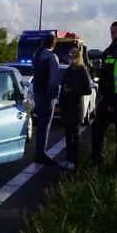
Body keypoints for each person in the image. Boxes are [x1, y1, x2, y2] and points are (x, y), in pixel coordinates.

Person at [90, 21, 117, 166]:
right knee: (97, 130)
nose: (115, 35)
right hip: (107, 97)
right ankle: (97, 162)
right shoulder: (108, 51)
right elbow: (101, 76)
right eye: (113, 32)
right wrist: (97, 68)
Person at [59, 47, 92, 170]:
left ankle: (75, 161)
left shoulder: (81, 70)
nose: (71, 58)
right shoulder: (68, 71)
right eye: (69, 55)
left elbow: (87, 90)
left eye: (73, 56)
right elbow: (63, 88)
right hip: (67, 106)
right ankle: (69, 159)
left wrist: (73, 90)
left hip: (76, 107)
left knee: (75, 135)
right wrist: (62, 103)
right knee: (68, 135)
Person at [31, 33, 61, 165]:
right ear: (54, 45)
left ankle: (39, 150)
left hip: (37, 92)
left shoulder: (36, 55)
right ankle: (41, 153)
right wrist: (54, 93)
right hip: (47, 94)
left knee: (40, 123)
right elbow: (54, 79)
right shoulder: (52, 57)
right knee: (45, 124)